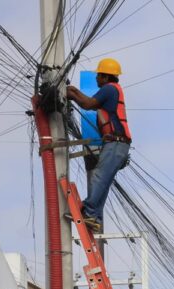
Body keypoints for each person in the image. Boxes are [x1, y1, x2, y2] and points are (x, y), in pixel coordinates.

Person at [66, 57, 132, 232]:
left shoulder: (109, 89)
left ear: (105, 76)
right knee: (103, 181)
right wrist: (74, 91)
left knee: (99, 178)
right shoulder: (113, 91)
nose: (96, 78)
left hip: (116, 144)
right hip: (120, 145)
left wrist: (71, 94)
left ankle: (89, 213)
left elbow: (87, 104)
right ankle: (94, 217)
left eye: (98, 75)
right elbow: (90, 103)